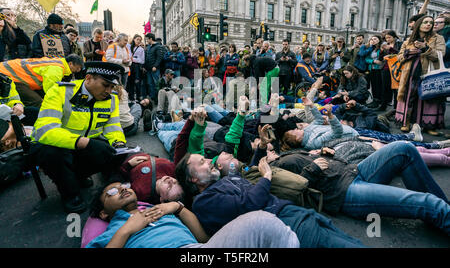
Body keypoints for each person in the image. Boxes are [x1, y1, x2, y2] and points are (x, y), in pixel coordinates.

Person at [175, 134, 365, 247]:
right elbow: (248, 205)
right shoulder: (204, 201)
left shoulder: (227, 179)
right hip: (285, 226)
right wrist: (267, 177)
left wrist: (261, 148)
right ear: (193, 178)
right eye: (202, 162)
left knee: (354, 243)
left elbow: (250, 170)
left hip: (298, 213)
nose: (210, 160)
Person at [254, 136, 450, 235]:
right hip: (343, 191)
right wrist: (312, 168)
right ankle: (441, 213)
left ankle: (442, 214)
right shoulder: (272, 169)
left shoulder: (288, 154)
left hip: (354, 170)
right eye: (260, 147)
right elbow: (293, 194)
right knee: (426, 202)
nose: (266, 146)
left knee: (403, 148)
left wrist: (321, 153)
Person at [30, 62, 127, 213]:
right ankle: (70, 194)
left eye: (112, 87)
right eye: (105, 85)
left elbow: (113, 127)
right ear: (88, 78)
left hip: (85, 147)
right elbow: (45, 130)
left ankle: (78, 176)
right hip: (56, 146)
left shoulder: (111, 99)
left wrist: (119, 143)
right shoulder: (60, 91)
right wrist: (84, 142)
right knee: (52, 153)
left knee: (113, 152)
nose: (109, 91)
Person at [85, 182, 300, 248]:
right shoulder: (112, 233)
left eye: (124, 185)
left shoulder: (160, 211)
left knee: (266, 224)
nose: (122, 189)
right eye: (111, 191)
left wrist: (177, 208)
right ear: (104, 212)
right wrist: (127, 229)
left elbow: (204, 240)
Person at [395, 15, 446, 135]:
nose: (428, 24)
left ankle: (429, 125)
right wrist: (408, 53)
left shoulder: (438, 38)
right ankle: (406, 122)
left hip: (428, 72)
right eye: (425, 22)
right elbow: (399, 57)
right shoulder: (409, 40)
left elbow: (440, 55)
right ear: (419, 24)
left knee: (428, 97)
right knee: (409, 96)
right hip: (410, 73)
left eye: (431, 23)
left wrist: (425, 48)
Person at [0, 54, 84, 108]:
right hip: (10, 75)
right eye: (78, 67)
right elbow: (50, 91)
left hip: (14, 74)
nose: (78, 70)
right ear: (70, 63)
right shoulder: (56, 69)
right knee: (37, 102)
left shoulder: (57, 63)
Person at [358, 35, 383, 109]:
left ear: (379, 40)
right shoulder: (371, 48)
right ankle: (375, 100)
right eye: (372, 39)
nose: (373, 40)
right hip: (372, 69)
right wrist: (373, 61)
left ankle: (380, 100)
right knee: (374, 85)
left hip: (380, 69)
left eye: (375, 39)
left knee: (379, 85)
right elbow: (366, 59)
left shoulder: (381, 48)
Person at [144, 33, 166, 102]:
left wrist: (155, 66)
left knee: (156, 83)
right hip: (148, 69)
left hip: (155, 69)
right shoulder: (149, 47)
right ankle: (152, 97)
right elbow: (147, 58)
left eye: (147, 39)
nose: (146, 41)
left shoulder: (158, 46)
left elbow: (159, 57)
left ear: (151, 39)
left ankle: (158, 98)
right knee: (150, 84)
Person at [126, 34, 145, 101]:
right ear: (134, 39)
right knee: (130, 82)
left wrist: (133, 59)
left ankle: (138, 97)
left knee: (137, 82)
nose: (139, 41)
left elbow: (142, 61)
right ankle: (131, 98)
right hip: (129, 66)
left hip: (136, 67)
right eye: (137, 39)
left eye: (140, 40)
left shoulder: (141, 49)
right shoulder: (128, 46)